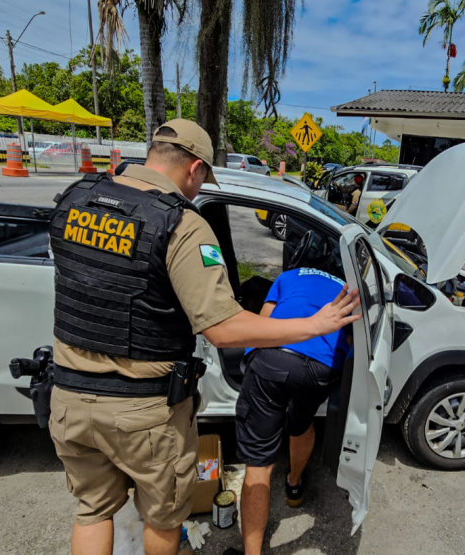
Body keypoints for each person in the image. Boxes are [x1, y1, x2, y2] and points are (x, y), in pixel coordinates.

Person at [46, 118, 361, 555]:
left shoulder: (75, 199)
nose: (196, 191)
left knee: (93, 511)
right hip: (141, 408)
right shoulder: (179, 223)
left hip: (69, 395)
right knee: (163, 516)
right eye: (201, 181)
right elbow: (222, 328)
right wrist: (315, 325)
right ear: (195, 168)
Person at [226, 264, 353, 555]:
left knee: (259, 464)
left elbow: (263, 322)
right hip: (320, 367)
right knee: (302, 421)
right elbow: (349, 340)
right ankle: (294, 485)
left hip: (274, 359)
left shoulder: (288, 277)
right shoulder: (346, 289)